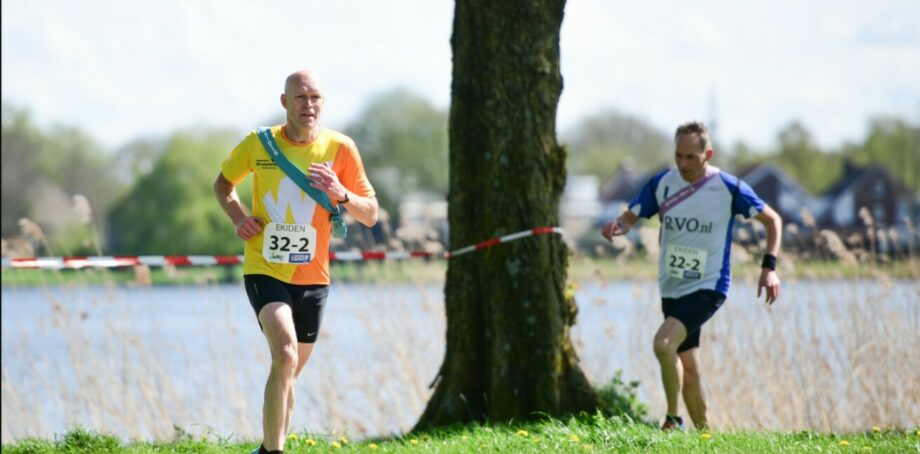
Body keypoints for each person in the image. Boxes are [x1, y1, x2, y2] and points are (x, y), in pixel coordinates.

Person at [214, 69, 378, 454]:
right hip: (264, 266)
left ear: (323, 102)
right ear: (285, 102)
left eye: (316, 97)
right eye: (301, 98)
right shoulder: (259, 143)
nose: (309, 105)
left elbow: (370, 213)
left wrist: (341, 194)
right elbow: (223, 185)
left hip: (314, 275)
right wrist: (239, 218)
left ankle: (267, 446)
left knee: (288, 372)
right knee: (285, 354)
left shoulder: (342, 148)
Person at [601, 121, 781, 431]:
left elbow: (772, 220)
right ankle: (705, 436)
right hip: (671, 286)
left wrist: (769, 269)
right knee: (689, 368)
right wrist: (617, 226)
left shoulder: (729, 188)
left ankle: (673, 419)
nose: (683, 164)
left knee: (663, 343)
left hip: (709, 286)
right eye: (678, 156)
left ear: (707, 153)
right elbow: (630, 216)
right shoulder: (661, 183)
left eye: (691, 158)